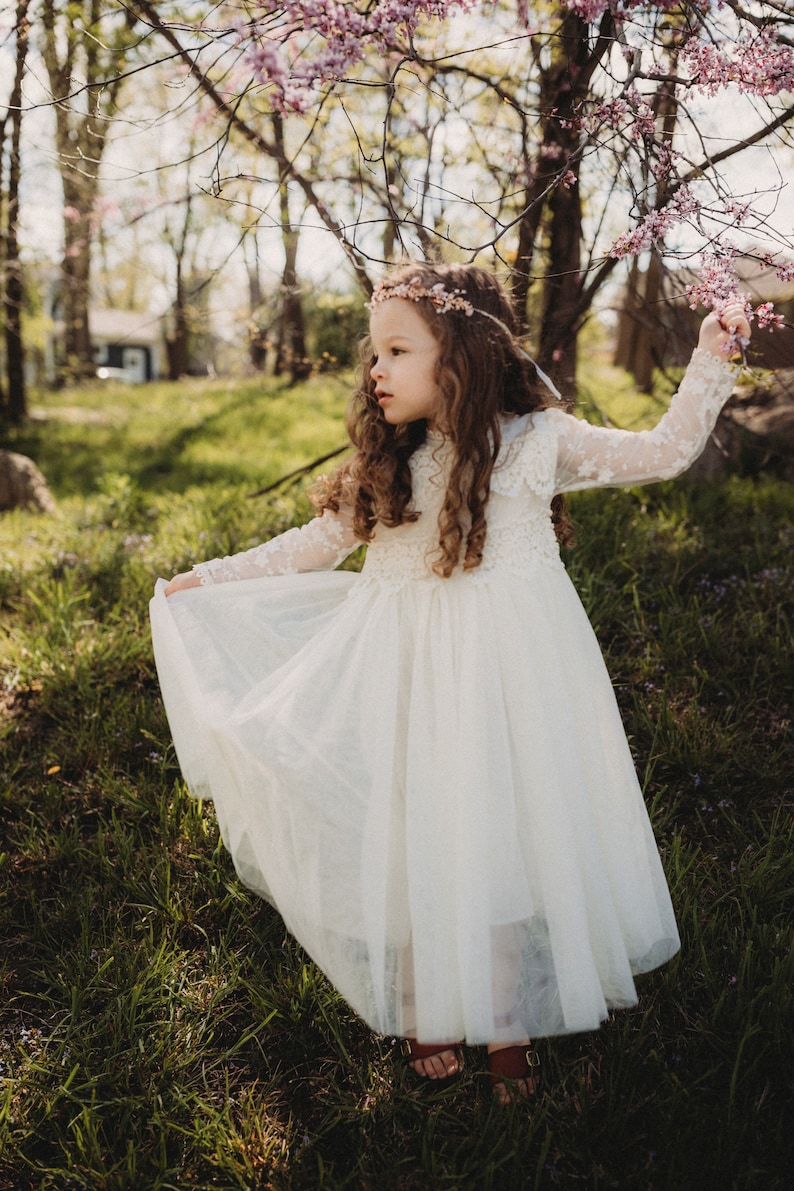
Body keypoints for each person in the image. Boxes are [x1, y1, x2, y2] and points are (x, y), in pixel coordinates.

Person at [150, 263, 750, 1103]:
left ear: (462, 353)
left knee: (495, 831)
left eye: (399, 350)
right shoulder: (389, 466)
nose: (377, 369)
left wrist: (711, 356)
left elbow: (663, 452)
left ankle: (503, 1011)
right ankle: (428, 994)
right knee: (419, 828)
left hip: (509, 679)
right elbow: (305, 548)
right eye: (374, 353)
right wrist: (206, 579)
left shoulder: (538, 441)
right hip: (406, 677)